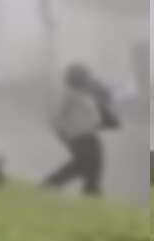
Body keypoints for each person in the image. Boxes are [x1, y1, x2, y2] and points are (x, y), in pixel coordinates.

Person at [43, 63, 110, 196]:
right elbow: (55, 118)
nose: (87, 79)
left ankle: (90, 192)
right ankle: (49, 185)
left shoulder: (83, 95)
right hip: (79, 137)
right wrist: (64, 135)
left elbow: (95, 111)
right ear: (75, 78)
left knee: (92, 165)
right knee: (83, 165)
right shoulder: (67, 94)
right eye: (84, 77)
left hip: (90, 136)